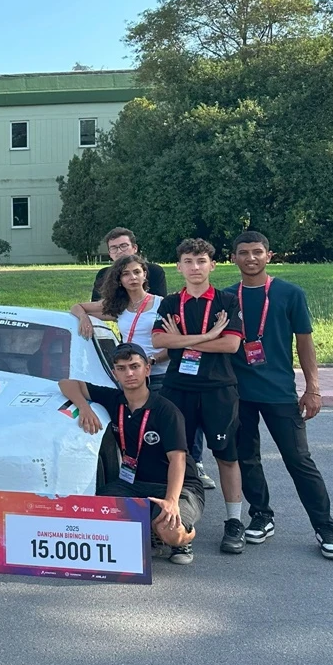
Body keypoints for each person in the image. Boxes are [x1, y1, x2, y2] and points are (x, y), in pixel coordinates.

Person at [226, 231, 333, 559]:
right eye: (243, 252)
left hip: (279, 393)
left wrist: (313, 388)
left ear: (269, 255)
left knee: (299, 460)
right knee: (246, 458)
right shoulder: (227, 296)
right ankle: (261, 515)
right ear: (233, 258)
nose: (251, 258)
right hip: (238, 393)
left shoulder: (290, 293)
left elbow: (305, 344)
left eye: (257, 252)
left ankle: (326, 527)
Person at [59, 343, 204, 565]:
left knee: (170, 531)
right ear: (114, 373)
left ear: (147, 369)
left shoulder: (166, 411)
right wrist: (84, 407)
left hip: (178, 486)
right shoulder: (113, 399)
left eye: (135, 366)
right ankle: (150, 527)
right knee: (92, 513)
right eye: (122, 368)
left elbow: (178, 459)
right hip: (132, 484)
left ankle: (183, 535)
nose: (129, 373)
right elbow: (66, 383)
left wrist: (172, 501)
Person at [152, 238, 247, 555]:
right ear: (179, 267)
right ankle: (176, 525)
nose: (195, 267)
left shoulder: (227, 301)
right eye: (189, 261)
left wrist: (182, 340)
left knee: (226, 455)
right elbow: (159, 340)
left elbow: (231, 345)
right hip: (177, 388)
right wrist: (209, 335)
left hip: (218, 389)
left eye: (201, 260)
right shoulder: (169, 303)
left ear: (212, 265)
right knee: (175, 456)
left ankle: (234, 522)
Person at [70, 254, 169, 382]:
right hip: (130, 373)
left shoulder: (161, 304)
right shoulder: (119, 306)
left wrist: (151, 360)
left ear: (144, 275)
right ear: (119, 280)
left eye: (137, 272)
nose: (133, 277)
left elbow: (174, 344)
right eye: (126, 274)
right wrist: (83, 317)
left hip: (158, 374)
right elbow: (77, 307)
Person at [90, 227, 169, 301]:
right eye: (114, 248)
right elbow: (96, 303)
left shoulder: (154, 271)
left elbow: (159, 303)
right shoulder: (103, 274)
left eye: (123, 246)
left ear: (135, 248)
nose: (119, 251)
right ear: (109, 253)